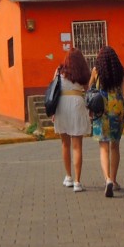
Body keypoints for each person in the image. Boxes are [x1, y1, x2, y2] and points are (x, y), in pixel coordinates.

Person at [89, 46, 124, 198]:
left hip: (101, 111)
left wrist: (89, 108)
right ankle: (114, 180)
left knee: (103, 147)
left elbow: (90, 89)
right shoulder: (120, 72)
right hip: (117, 110)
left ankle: (107, 179)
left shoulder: (96, 71)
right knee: (115, 146)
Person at [51, 47, 92, 192]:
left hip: (61, 105)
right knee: (77, 146)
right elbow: (88, 91)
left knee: (65, 144)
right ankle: (77, 182)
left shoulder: (59, 71)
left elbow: (53, 91)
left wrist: (53, 111)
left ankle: (68, 177)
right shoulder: (83, 73)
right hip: (77, 103)